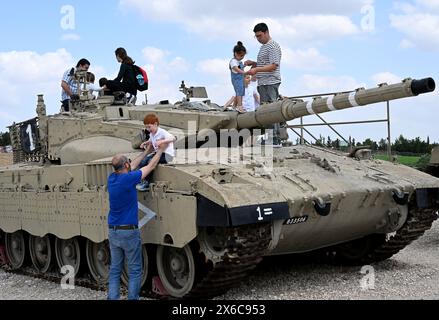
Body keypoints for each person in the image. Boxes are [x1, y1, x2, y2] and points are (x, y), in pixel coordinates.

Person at [107, 144, 168, 300]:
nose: (130, 163)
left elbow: (132, 165)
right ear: (125, 165)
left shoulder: (112, 178)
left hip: (113, 231)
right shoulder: (128, 178)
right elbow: (151, 165)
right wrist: (161, 149)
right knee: (134, 270)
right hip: (129, 231)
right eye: (128, 162)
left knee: (115, 269)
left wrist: (147, 151)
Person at [245, 23, 283, 146]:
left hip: (271, 82)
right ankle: (268, 138)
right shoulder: (264, 46)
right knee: (265, 112)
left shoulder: (273, 46)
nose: (258, 39)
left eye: (260, 36)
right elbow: (266, 64)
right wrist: (255, 63)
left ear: (266, 32)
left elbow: (273, 66)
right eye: (256, 36)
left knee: (272, 110)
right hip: (263, 83)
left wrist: (256, 70)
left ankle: (275, 139)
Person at [136, 114, 176, 191]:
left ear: (155, 124)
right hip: (158, 153)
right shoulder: (152, 133)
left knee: (150, 161)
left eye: (149, 127)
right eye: (146, 127)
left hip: (167, 155)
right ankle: (142, 179)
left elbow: (173, 138)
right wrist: (146, 143)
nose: (148, 129)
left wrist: (162, 141)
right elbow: (151, 140)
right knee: (143, 161)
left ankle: (147, 183)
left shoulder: (162, 132)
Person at [229, 41, 247, 113]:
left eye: (243, 56)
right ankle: (240, 106)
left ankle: (234, 106)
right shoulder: (233, 61)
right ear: (236, 53)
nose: (242, 57)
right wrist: (244, 72)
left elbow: (240, 67)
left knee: (240, 92)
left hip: (240, 79)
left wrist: (245, 65)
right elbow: (236, 69)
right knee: (239, 93)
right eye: (241, 56)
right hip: (236, 79)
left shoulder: (238, 61)